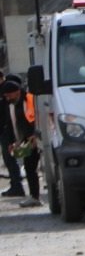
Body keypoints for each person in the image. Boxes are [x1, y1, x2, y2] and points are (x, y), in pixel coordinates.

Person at [2, 75, 41, 206]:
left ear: (17, 92)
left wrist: (35, 135)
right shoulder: (12, 104)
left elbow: (35, 118)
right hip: (27, 140)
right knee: (30, 167)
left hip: (39, 137)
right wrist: (13, 142)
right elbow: (11, 124)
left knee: (44, 166)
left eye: (9, 96)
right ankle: (34, 196)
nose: (7, 98)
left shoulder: (29, 99)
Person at [1, 74, 26, 198]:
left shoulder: (7, 88)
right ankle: (15, 185)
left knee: (11, 159)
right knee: (9, 159)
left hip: (9, 129)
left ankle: (17, 186)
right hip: (6, 129)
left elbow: (8, 114)